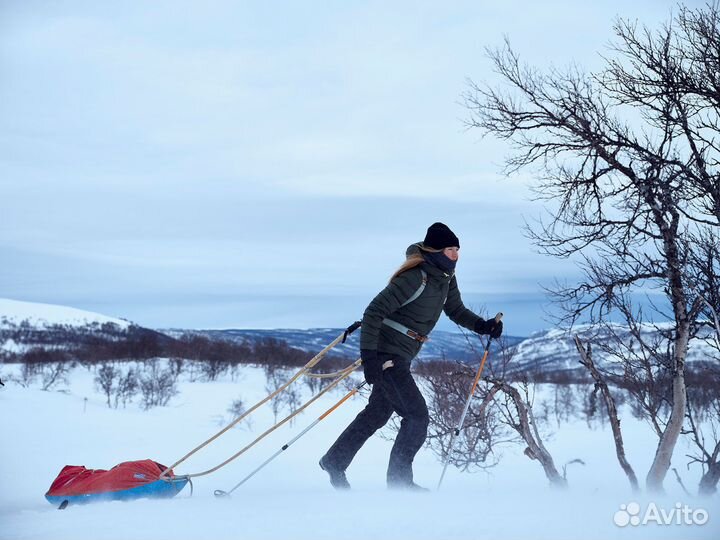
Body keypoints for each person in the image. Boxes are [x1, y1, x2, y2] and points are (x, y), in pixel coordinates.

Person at [319, 222, 503, 490]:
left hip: (402, 353)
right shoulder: (415, 276)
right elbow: (373, 312)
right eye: (451, 249)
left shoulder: (446, 278)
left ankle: (335, 460)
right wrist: (370, 358)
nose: (456, 255)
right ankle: (400, 484)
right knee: (417, 417)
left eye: (458, 250)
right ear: (437, 250)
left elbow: (455, 309)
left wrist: (483, 326)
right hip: (387, 353)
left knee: (378, 412)